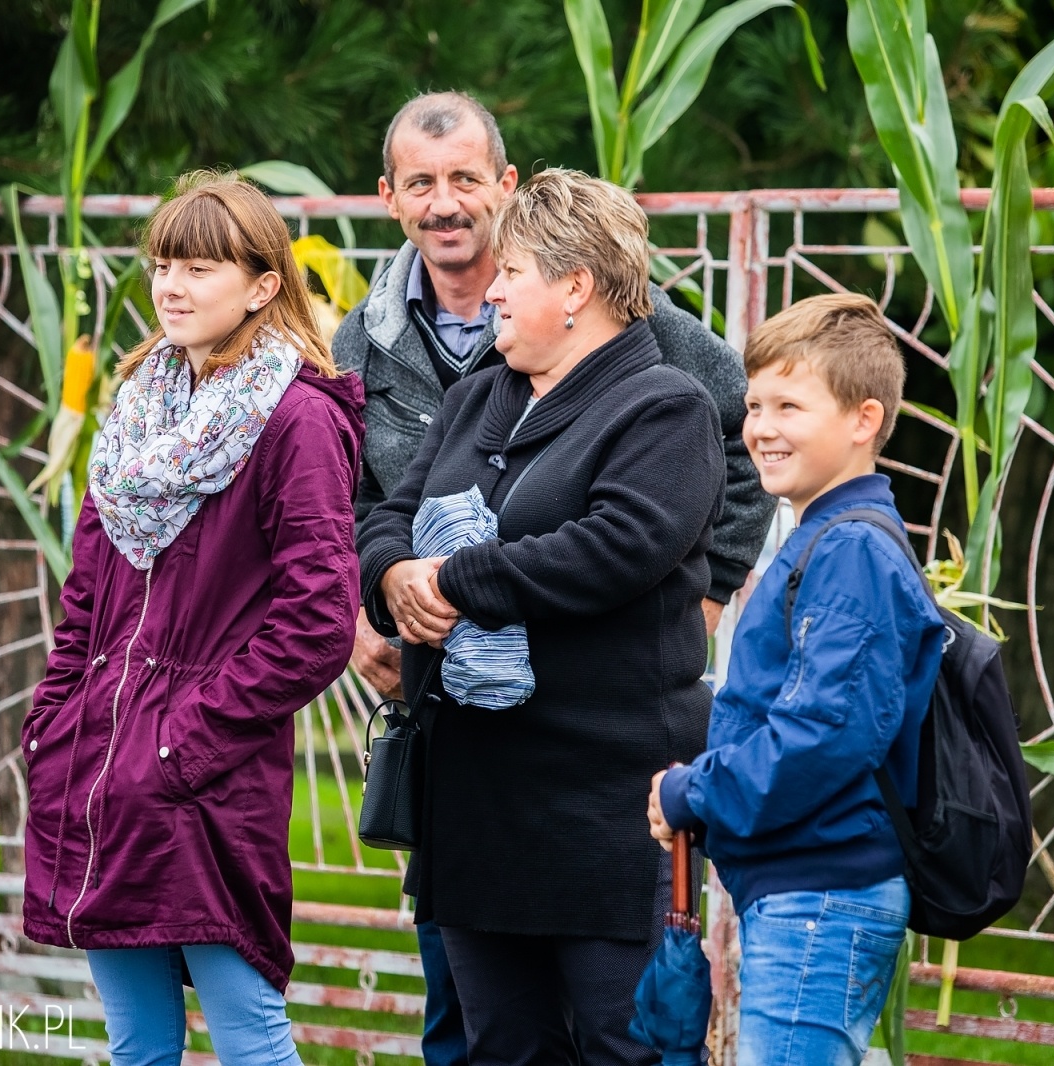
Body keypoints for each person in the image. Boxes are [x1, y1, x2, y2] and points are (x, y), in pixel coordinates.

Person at [333, 90, 774, 1064]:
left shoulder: (660, 405)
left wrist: (449, 581)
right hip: (476, 808)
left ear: (573, 287)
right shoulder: (483, 391)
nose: (492, 289)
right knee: (501, 1046)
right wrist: (391, 576)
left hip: (599, 809)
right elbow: (382, 507)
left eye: (515, 273)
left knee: (621, 1047)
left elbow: (616, 543)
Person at [21, 171, 363, 1066]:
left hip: (204, 781)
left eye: (200, 268)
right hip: (96, 763)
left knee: (249, 1037)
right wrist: (53, 726)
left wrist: (179, 745)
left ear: (262, 286)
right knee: (138, 1046)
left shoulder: (297, 421)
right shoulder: (135, 416)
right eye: (163, 264)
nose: (171, 286)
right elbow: (86, 603)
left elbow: (318, 623)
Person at [647, 293, 944, 1066]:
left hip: (823, 897)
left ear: (863, 420)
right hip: (804, 890)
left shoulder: (850, 552)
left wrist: (695, 791)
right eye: (753, 404)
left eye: (790, 405)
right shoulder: (828, 535)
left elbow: (823, 735)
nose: (761, 427)